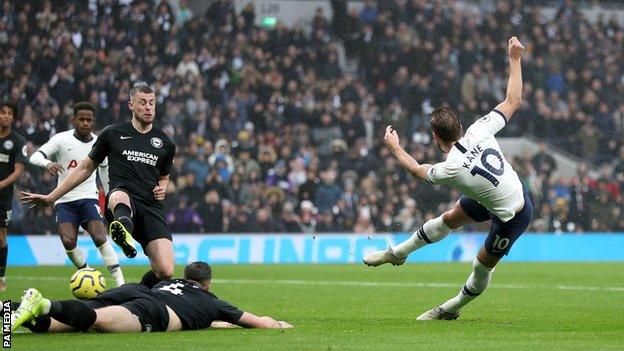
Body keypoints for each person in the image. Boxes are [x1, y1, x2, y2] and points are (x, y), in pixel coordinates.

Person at [363, 37, 532, 320]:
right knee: (450, 218)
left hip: (513, 215)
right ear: (461, 127)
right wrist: (514, 58)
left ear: (435, 137)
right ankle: (398, 253)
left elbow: (416, 169)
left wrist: (395, 147)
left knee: (482, 267)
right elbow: (513, 100)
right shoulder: (480, 129)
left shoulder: (450, 168)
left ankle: (449, 309)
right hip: (498, 195)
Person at [21, 83, 176, 287]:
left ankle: (136, 293)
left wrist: (163, 187)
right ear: (131, 105)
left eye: (152, 103)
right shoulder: (112, 134)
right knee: (120, 197)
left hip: (150, 207)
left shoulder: (165, 143)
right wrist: (52, 197)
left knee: (165, 271)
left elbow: (164, 176)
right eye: (143, 103)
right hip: (120, 200)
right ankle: (123, 229)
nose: (148, 107)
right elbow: (85, 168)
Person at [11, 261, 292, 333]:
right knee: (95, 320)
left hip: (136, 290)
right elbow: (259, 322)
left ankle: (9, 310)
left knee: (61, 325)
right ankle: (43, 302)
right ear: (208, 284)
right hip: (153, 309)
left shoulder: (170, 281)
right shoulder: (211, 301)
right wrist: (279, 324)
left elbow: (153, 274)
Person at [29, 102, 125, 287]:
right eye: (81, 119)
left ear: (93, 121)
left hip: (89, 197)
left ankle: (121, 284)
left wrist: (109, 201)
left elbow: (104, 175)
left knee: (99, 237)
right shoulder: (61, 140)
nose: (85, 123)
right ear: (73, 120)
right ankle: (87, 274)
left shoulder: (100, 143)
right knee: (68, 240)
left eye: (89, 120)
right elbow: (35, 156)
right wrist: (48, 164)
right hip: (64, 200)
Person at [0, 102, 27, 292]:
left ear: (14, 118)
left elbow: (19, 171)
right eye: (2, 113)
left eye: (10, 113)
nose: (6, 116)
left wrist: (1, 184)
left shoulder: (18, 141)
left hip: (3, 197)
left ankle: (1, 277)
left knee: (1, 238)